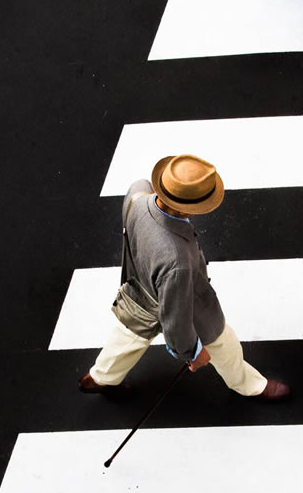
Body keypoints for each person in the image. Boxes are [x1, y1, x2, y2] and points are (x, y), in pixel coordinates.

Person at [78, 153, 290, 401]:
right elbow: (176, 321)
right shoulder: (177, 261)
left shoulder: (138, 192)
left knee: (127, 339)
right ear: (188, 207)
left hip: (139, 290)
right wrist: (192, 352)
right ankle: (250, 385)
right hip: (180, 294)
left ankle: (100, 377)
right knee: (224, 343)